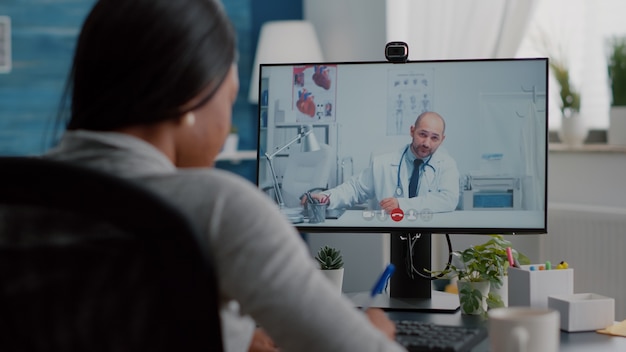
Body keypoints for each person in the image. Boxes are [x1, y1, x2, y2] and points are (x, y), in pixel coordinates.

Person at [44, 0, 406, 351]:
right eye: (229, 97)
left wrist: (230, 337)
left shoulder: (19, 194)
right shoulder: (219, 206)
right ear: (190, 98)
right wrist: (372, 337)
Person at [308, 111, 459, 214]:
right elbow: (354, 189)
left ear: (442, 139)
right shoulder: (383, 163)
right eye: (422, 134)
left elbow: (449, 200)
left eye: (434, 138)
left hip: (429, 233)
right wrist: (326, 197)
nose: (427, 143)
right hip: (389, 234)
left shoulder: (446, 165)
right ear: (412, 131)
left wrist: (402, 205)